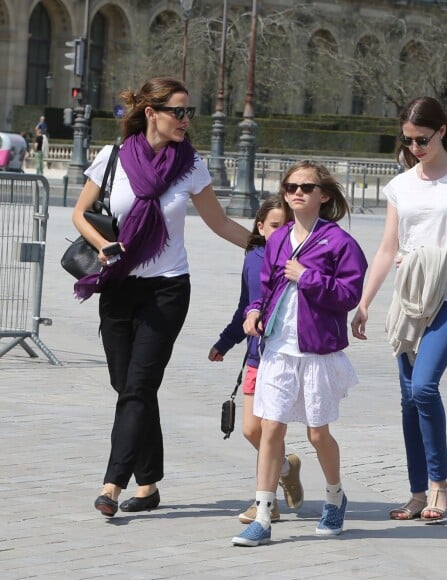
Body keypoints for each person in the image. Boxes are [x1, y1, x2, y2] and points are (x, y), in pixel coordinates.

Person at [71, 76, 251, 517]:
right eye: (179, 111)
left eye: (190, 112)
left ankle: (112, 483)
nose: (187, 120)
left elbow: (219, 223)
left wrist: (268, 245)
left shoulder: (191, 166)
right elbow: (80, 213)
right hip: (117, 284)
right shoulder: (112, 157)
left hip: (167, 289)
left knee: (138, 386)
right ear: (151, 113)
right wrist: (102, 245)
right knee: (127, 386)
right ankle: (149, 485)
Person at [351, 96, 447, 522]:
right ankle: (417, 493)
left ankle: (439, 486)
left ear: (442, 132)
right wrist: (364, 302)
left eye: (422, 139)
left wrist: (429, 260)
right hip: (409, 302)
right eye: (409, 140)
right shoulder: (401, 185)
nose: (415, 147)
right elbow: (386, 249)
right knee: (407, 400)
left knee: (423, 389)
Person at [231, 160, 368, 546]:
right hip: (276, 348)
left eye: (306, 187)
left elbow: (348, 294)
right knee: (271, 427)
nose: (296, 193)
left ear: (323, 196)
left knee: (317, 433)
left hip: (317, 350)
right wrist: (253, 311)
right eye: (291, 186)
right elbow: (263, 286)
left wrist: (308, 277)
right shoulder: (277, 238)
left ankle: (335, 495)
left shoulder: (340, 242)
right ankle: (262, 515)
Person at [208, 195, 304, 524]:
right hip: (255, 356)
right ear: (260, 227)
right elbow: (244, 305)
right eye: (275, 226)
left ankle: (267, 503)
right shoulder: (252, 257)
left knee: (269, 430)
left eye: (287, 226)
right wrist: (225, 341)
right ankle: (288, 467)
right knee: (251, 430)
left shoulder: (297, 261)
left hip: (283, 356)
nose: (281, 232)